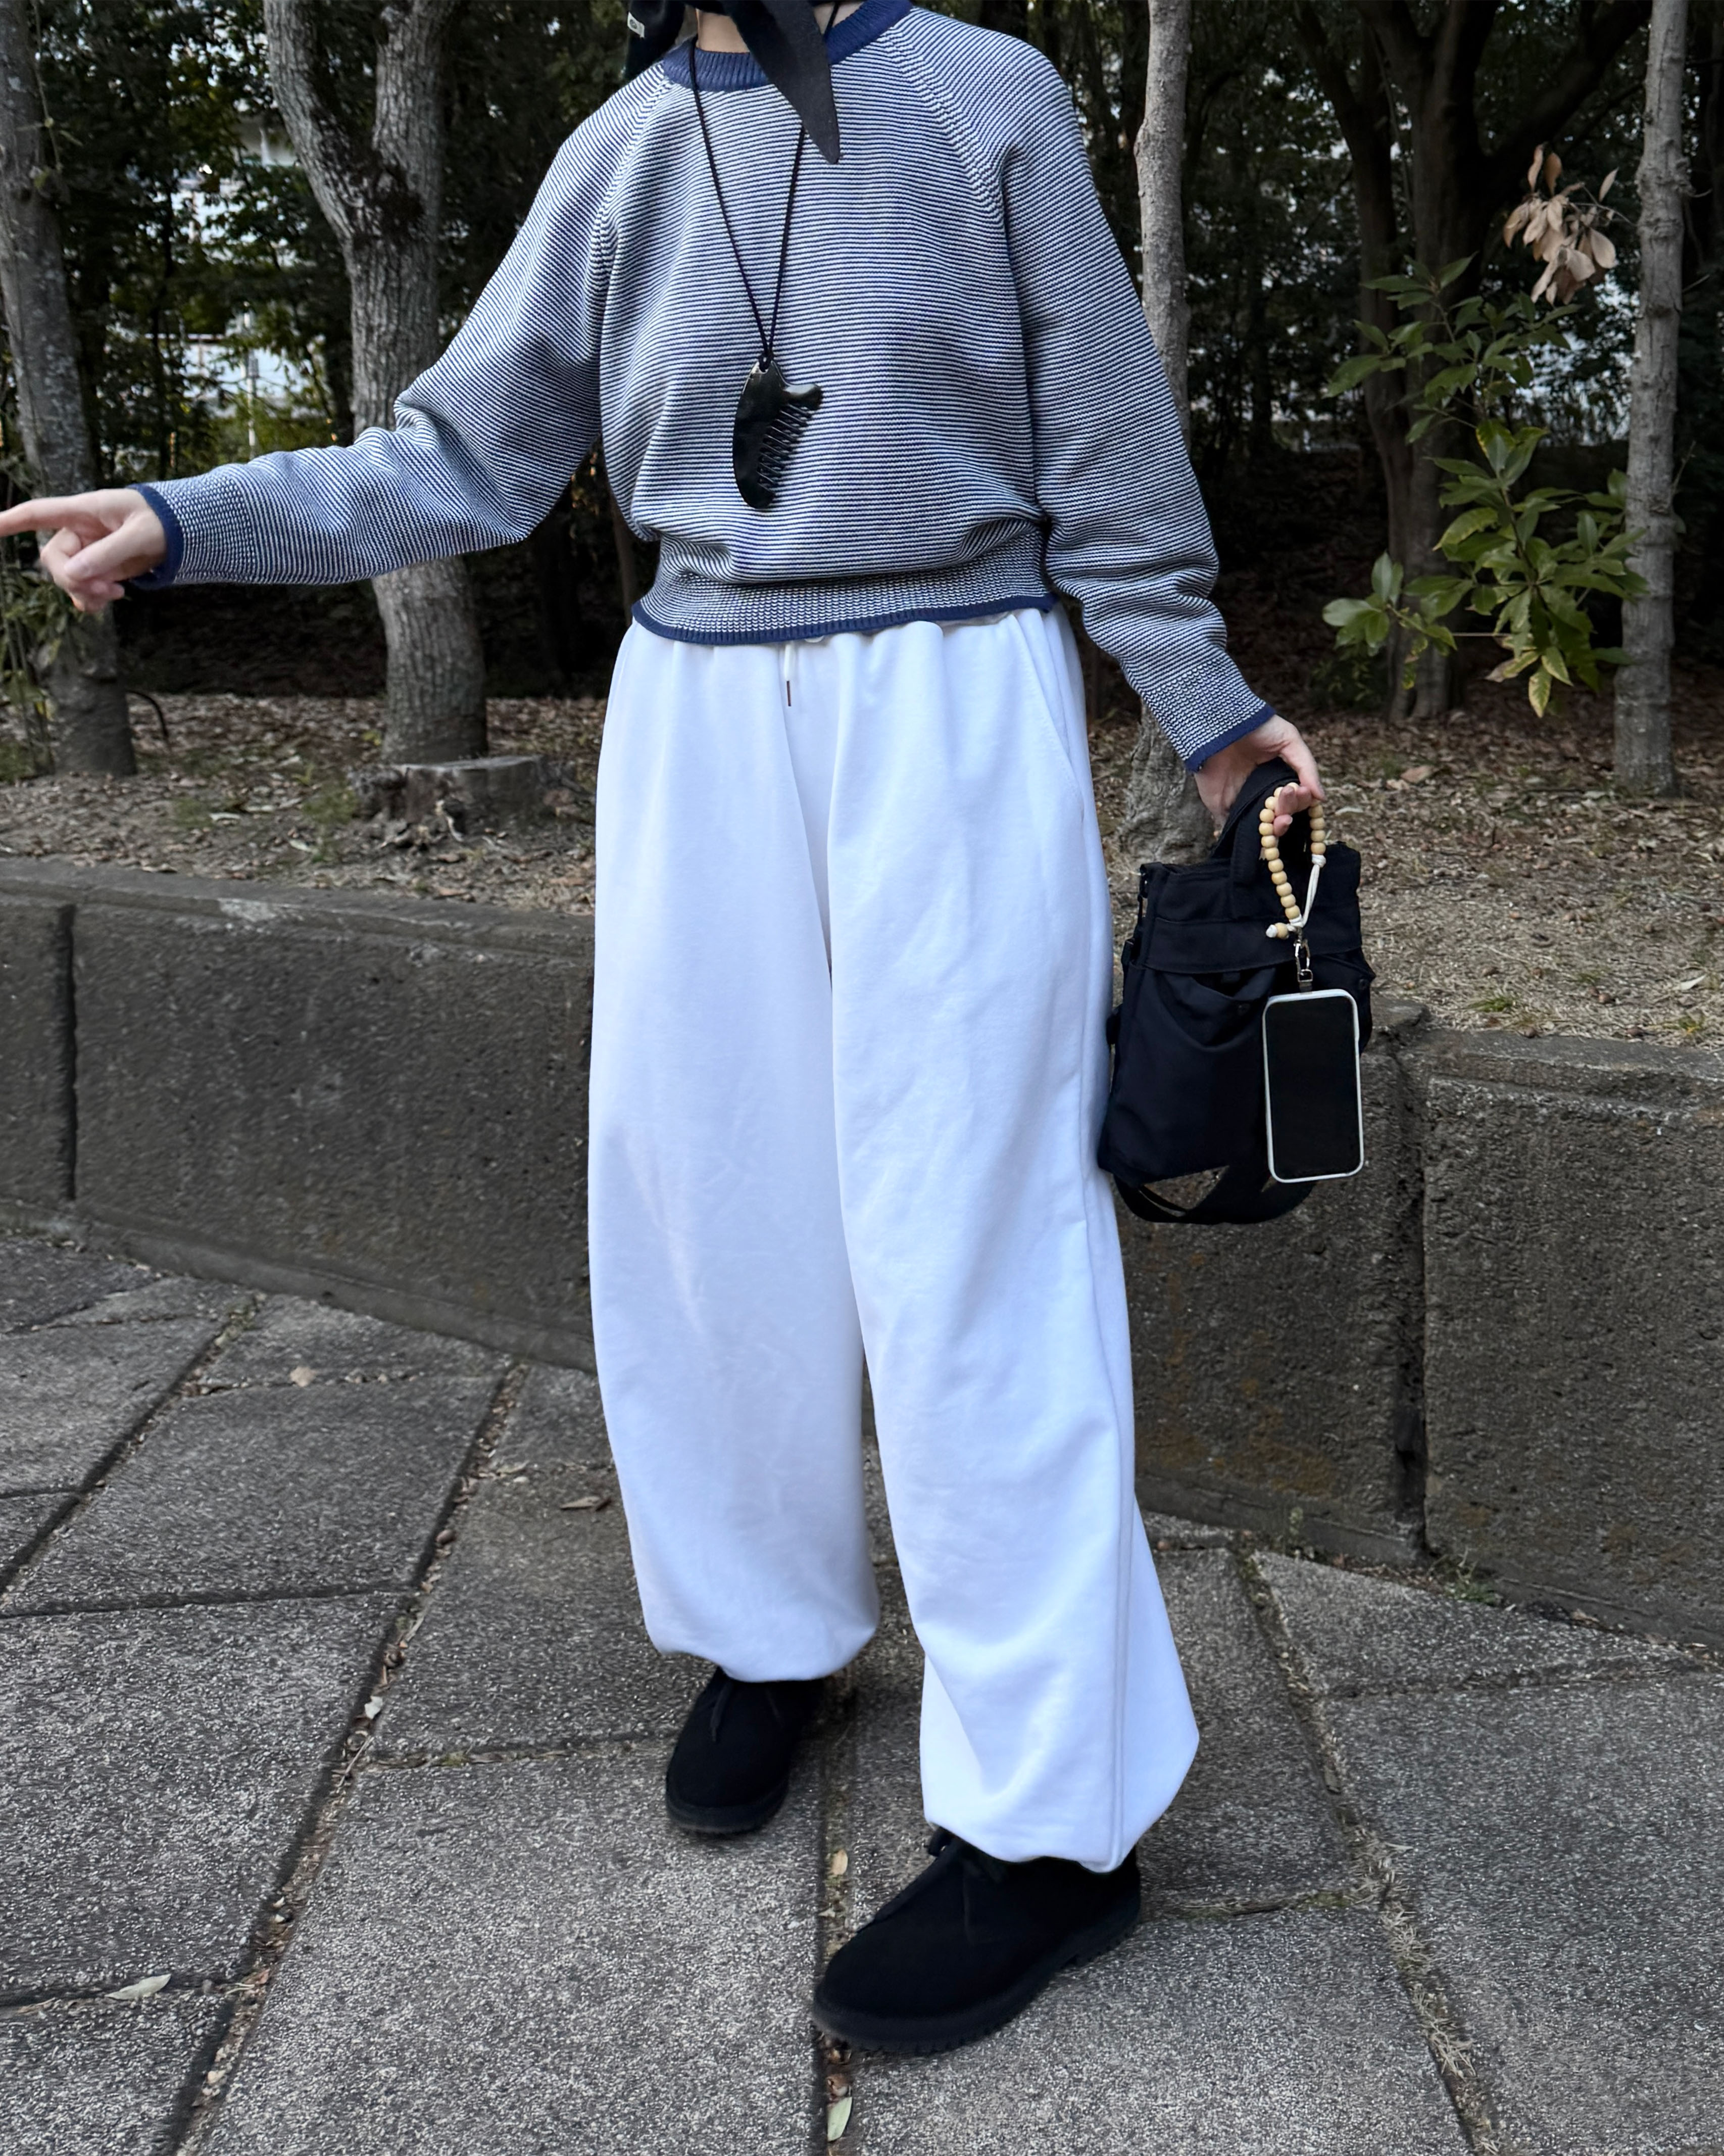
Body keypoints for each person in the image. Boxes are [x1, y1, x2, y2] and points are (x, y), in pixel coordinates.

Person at [0, 0, 1321, 2056]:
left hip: (951, 696)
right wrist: (189, 518)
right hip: (696, 711)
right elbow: (463, 452)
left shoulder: (982, 100)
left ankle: (1056, 1825)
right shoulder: (620, 153)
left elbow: (1107, 454)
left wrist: (1215, 716)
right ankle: (771, 1629)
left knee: (972, 1240)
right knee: (707, 1210)